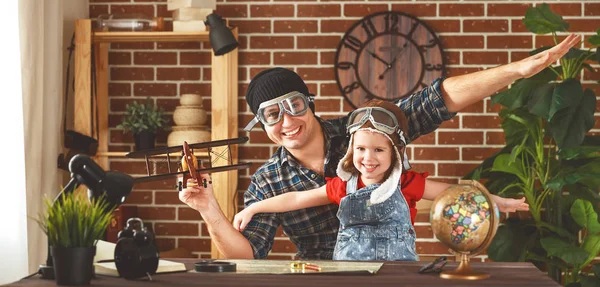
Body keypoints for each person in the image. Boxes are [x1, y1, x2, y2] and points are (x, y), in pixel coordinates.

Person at [179, 34, 579, 260]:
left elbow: (437, 100)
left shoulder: (364, 131)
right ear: (261, 124)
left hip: (394, 270)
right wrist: (210, 209)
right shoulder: (270, 180)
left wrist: (519, 70)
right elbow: (246, 255)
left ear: (310, 103)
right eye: (271, 114)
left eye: (295, 105)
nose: (287, 121)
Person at [231, 100, 529, 261]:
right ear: (350, 150)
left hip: (397, 277)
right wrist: (253, 208)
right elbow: (295, 198)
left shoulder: (405, 183)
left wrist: (496, 200)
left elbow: (454, 194)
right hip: (346, 276)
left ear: (394, 153)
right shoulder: (342, 185)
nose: (368, 158)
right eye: (360, 149)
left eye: (378, 150)